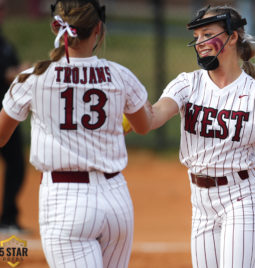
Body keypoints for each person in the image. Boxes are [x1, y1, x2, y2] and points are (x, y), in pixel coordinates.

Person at [0, 0, 152, 267]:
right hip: (116, 199)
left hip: (65, 200)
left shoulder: (33, 78)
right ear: (98, 29)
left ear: (55, 27)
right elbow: (143, 125)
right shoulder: (119, 75)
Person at [150, 5, 255, 268]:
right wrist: (127, 109)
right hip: (200, 202)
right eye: (197, 37)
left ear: (232, 37)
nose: (200, 43)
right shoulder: (188, 83)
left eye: (207, 34)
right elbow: (154, 116)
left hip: (242, 197)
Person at [0, 0, 28, 233]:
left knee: (17, 166)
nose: (2, 12)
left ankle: (8, 220)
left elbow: (13, 71)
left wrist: (21, 71)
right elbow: (8, 73)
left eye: (2, 8)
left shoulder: (6, 45)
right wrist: (17, 73)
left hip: (7, 115)